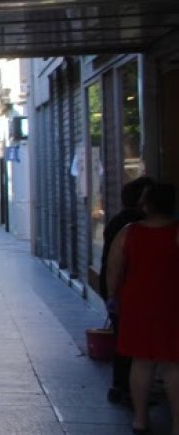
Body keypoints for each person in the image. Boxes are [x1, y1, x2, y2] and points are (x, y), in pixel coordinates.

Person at [106, 183, 179, 435]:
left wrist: (112, 296)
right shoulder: (176, 232)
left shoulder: (129, 232)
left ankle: (140, 419)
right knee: (172, 363)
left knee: (141, 360)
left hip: (137, 301)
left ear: (146, 204)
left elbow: (114, 268)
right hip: (172, 300)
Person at [100, 175, 155, 405]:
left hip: (119, 290)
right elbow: (117, 265)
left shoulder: (118, 221)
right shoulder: (134, 225)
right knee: (132, 346)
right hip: (128, 291)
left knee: (125, 341)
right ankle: (126, 388)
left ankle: (122, 386)